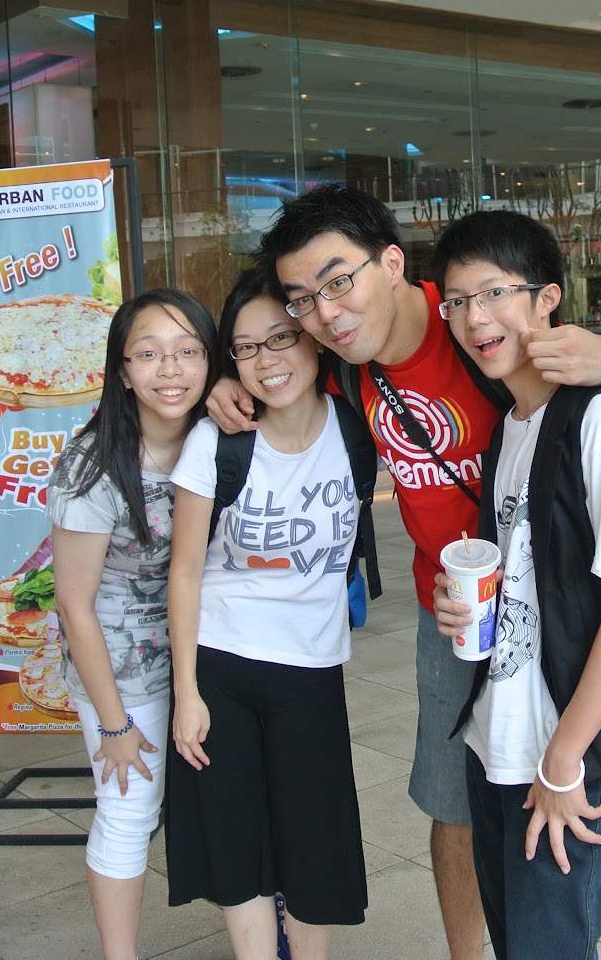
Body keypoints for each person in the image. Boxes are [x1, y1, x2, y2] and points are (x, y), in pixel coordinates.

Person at [207, 186, 601, 960]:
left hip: (562, 605)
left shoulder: (471, 318)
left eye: (338, 281)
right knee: (456, 802)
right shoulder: (343, 357)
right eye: (305, 300)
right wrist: (226, 380)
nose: (326, 313)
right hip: (454, 609)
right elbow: (268, 351)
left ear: (391, 264)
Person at [429, 211, 601, 959]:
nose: (476, 318)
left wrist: (565, 759)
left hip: (566, 755)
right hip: (496, 742)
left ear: (547, 297)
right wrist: (460, 606)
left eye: (494, 292)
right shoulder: (509, 427)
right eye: (458, 301)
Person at [167, 266, 368, 959]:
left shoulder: (354, 426)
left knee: (314, 840)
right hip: (220, 666)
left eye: (280, 337)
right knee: (236, 839)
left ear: (313, 337)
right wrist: (187, 693)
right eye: (246, 348)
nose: (266, 360)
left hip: (311, 667)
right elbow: (184, 572)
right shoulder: (216, 441)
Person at [45, 287, 216, 960]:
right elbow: (75, 607)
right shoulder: (92, 466)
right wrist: (114, 726)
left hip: (207, 650)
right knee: (128, 809)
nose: (170, 370)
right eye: (148, 354)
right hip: (124, 667)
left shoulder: (218, 439)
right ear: (122, 371)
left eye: (187, 351)